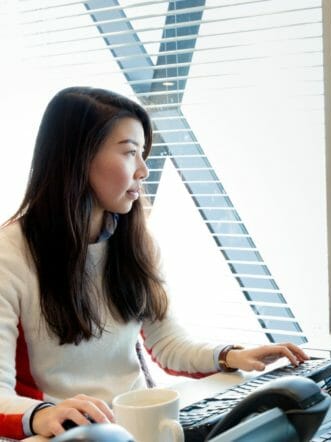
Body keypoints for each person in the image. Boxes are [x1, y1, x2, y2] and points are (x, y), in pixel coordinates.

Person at [0, 87, 309, 439]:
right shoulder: (9, 253)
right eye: (131, 153)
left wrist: (231, 356)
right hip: (68, 434)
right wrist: (43, 414)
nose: (143, 170)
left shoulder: (133, 243)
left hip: (139, 427)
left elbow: (166, 345)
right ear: (78, 157)